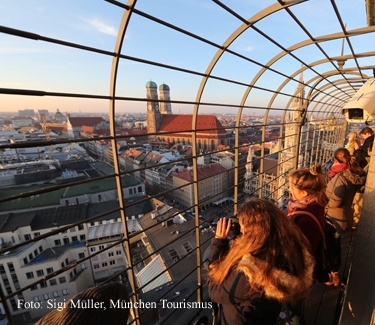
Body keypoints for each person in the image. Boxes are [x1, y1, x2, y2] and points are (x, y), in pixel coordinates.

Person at [207, 198, 314, 325]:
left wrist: (219, 242)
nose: (241, 232)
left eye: (242, 228)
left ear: (250, 232)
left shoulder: (251, 272)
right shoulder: (286, 250)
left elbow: (214, 291)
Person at [287, 164, 329, 323]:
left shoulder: (303, 219)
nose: (289, 190)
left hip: (300, 271)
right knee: (298, 303)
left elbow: (298, 250)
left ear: (304, 192)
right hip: (308, 267)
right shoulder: (314, 203)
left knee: (294, 306)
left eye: (291, 187)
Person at [325, 148, 366, 286]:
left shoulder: (340, 177)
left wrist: (322, 201)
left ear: (336, 160)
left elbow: (335, 201)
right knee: (336, 246)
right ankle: (334, 272)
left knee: (332, 247)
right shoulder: (353, 173)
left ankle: (333, 274)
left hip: (333, 220)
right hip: (344, 216)